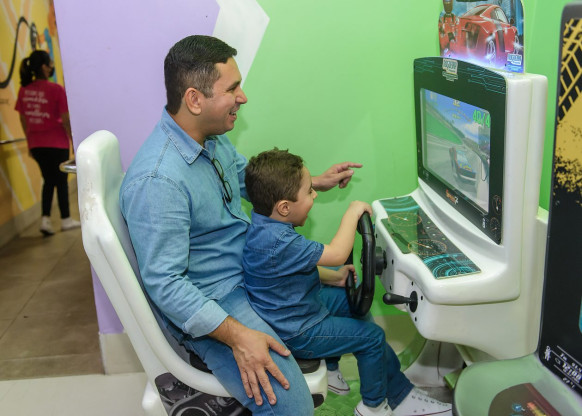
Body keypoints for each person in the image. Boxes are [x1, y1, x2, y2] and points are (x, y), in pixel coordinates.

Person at [119, 35, 362, 415]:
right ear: (194, 100)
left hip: (249, 276)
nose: (242, 97)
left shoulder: (211, 140)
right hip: (218, 302)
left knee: (349, 302)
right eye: (232, 89)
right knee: (292, 405)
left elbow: (248, 182)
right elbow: (165, 284)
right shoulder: (158, 180)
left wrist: (313, 183)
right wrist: (238, 336)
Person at [242, 148, 453, 416]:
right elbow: (338, 253)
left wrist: (336, 276)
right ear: (284, 207)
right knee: (372, 338)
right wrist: (352, 213)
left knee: (350, 302)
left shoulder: (264, 227)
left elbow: (293, 270)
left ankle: (378, 385)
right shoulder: (279, 241)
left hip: (296, 310)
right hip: (299, 331)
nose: (315, 195)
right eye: (309, 191)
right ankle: (373, 407)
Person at [15, 50, 80, 236]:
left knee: (49, 180)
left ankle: (45, 219)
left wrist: (30, 141)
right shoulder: (56, 90)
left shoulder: (23, 91)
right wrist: (73, 142)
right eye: (50, 63)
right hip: (56, 142)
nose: (51, 66)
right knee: (60, 181)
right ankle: (66, 219)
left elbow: (23, 119)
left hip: (37, 144)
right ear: (44, 67)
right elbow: (65, 119)